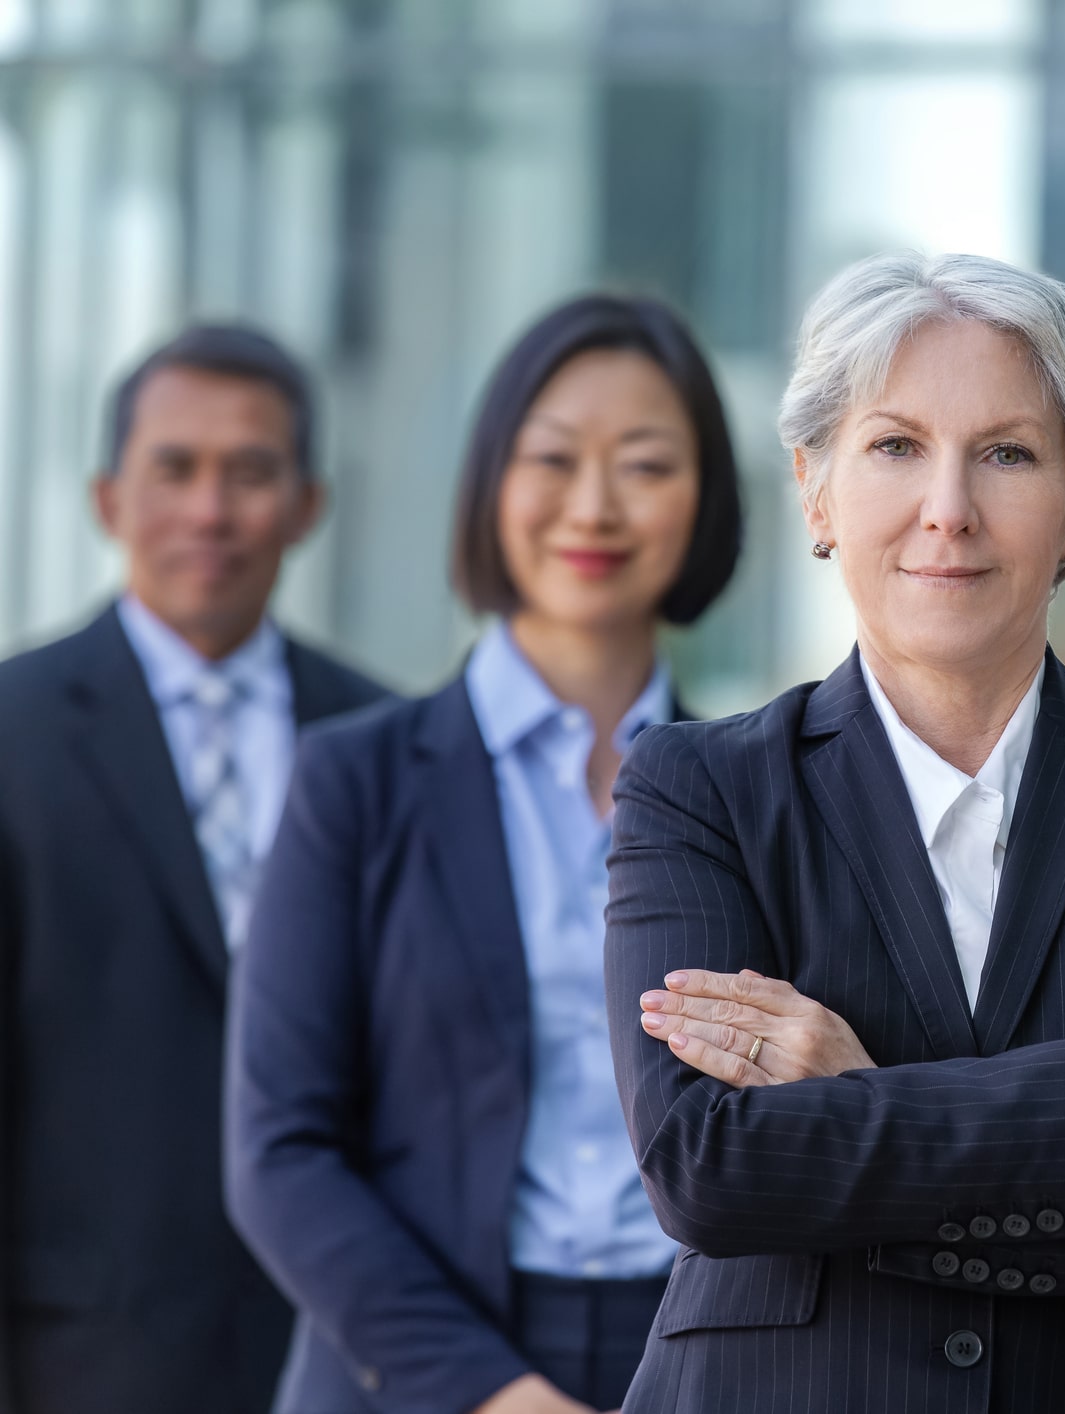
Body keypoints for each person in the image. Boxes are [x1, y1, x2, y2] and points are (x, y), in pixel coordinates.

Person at [605, 252, 1065, 1413]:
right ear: (815, 489)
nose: (948, 507)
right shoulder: (699, 788)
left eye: (1007, 453)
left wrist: (859, 1097)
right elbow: (713, 1171)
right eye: (895, 446)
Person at [225, 294, 744, 1414]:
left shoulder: (763, 793)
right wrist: (495, 1394)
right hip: (418, 1366)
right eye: (552, 459)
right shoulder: (353, 782)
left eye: (646, 465)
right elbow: (280, 1148)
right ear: (490, 485)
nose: (594, 507)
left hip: (703, 1359)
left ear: (707, 499)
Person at [0, 325, 389, 1414]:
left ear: (308, 505)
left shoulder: (391, 741)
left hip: (350, 1353)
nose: (211, 511)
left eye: (250, 472)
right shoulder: (11, 734)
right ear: (106, 497)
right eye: (175, 469)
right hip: (81, 1359)